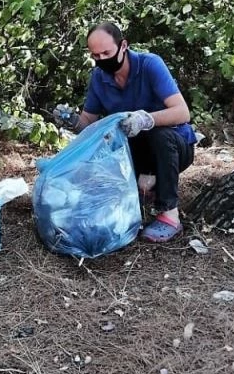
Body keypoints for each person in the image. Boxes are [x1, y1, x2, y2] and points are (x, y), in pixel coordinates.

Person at [53, 22, 197, 242]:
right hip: (134, 151)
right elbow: (89, 123)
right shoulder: (100, 78)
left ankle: (169, 214)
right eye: (96, 55)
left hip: (173, 148)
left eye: (107, 53)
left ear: (123, 46)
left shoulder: (150, 65)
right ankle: (144, 184)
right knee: (105, 142)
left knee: (159, 134)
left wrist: (147, 118)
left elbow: (182, 112)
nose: (102, 59)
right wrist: (72, 121)